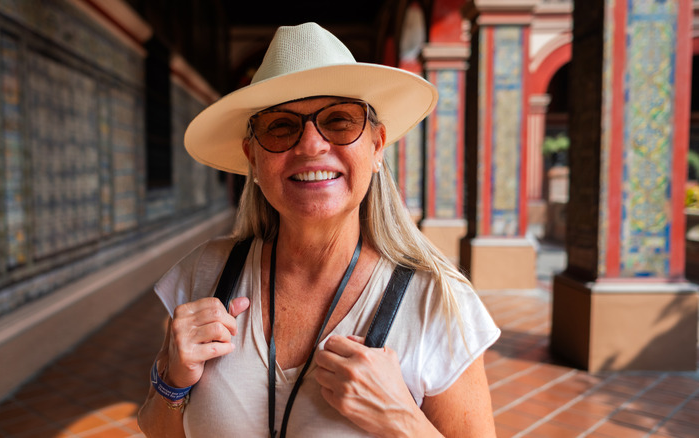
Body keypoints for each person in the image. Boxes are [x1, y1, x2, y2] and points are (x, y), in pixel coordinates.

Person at [138, 22, 500, 437]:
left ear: (377, 145)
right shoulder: (205, 274)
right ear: (252, 157)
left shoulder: (437, 301)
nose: (311, 145)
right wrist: (172, 382)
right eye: (281, 126)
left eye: (339, 121)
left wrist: (401, 420)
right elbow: (156, 428)